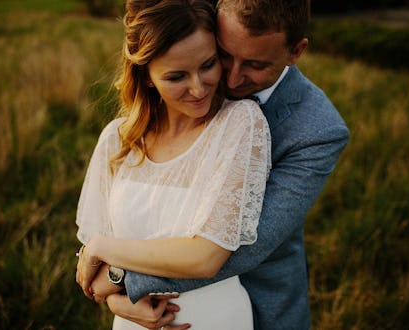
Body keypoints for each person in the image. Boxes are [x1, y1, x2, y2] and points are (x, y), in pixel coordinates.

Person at [103, 0, 350, 329]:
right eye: (224, 54)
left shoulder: (317, 130)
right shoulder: (196, 79)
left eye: (255, 65)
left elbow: (245, 246)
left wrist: (122, 281)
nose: (231, 80)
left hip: (261, 308)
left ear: (296, 52)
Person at [75, 0, 271, 329]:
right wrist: (115, 301)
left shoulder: (240, 125)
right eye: (176, 76)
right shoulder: (116, 141)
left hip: (214, 318)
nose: (198, 87)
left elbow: (206, 257)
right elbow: (91, 279)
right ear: (147, 76)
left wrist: (103, 249)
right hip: (134, 320)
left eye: (208, 65)